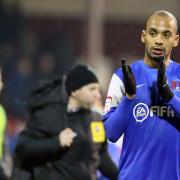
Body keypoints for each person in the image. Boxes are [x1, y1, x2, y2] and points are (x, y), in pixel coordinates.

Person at [102, 10, 180, 180]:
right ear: (143, 36)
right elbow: (110, 133)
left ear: (175, 40)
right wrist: (129, 98)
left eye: (166, 35)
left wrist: (170, 98)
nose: (159, 40)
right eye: (153, 33)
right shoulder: (123, 76)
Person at [12, 64, 118, 180]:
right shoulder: (49, 116)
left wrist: (122, 177)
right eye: (92, 89)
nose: (97, 95)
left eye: (98, 89)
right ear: (74, 91)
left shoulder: (96, 119)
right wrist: (56, 143)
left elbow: (101, 156)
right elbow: (23, 149)